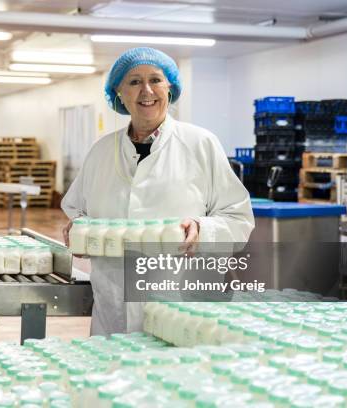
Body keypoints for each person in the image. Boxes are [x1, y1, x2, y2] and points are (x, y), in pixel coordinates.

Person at [61, 47, 255, 336]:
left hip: (180, 304)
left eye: (156, 80)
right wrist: (81, 232)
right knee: (111, 376)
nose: (146, 90)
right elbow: (79, 211)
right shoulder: (101, 151)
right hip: (113, 305)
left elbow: (238, 218)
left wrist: (203, 229)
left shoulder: (200, 144)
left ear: (171, 88)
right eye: (134, 81)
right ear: (119, 92)